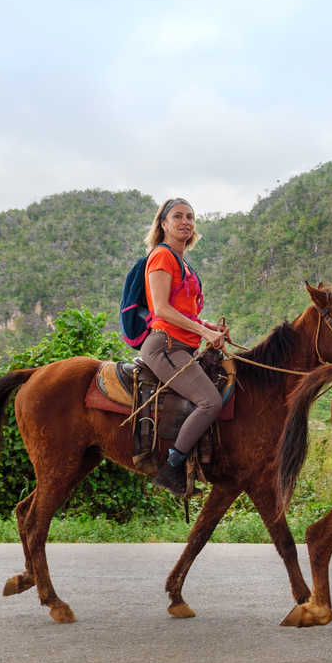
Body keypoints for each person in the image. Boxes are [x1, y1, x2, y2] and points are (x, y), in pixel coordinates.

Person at [139, 197, 229, 496]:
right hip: (165, 345)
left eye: (190, 217)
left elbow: (184, 312)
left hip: (182, 346)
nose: (185, 222)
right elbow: (162, 309)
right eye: (177, 216)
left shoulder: (183, 263)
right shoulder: (162, 256)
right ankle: (172, 468)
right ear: (163, 224)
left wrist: (209, 327)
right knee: (210, 402)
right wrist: (203, 331)